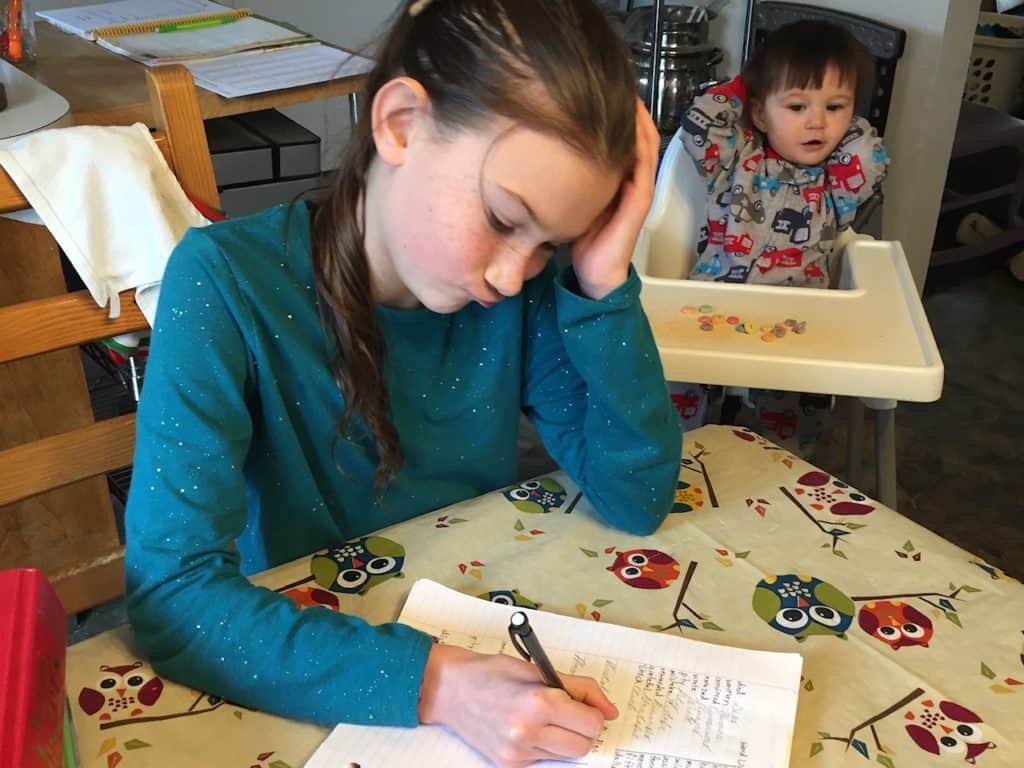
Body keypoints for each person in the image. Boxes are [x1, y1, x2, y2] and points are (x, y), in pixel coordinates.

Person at [124, 1, 682, 766]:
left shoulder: (528, 292)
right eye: (500, 216)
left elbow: (636, 497)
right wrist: (443, 686)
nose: (510, 274)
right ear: (400, 125)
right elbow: (172, 596)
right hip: (303, 667)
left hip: (474, 627)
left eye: (548, 243)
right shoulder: (223, 283)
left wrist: (603, 279)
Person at [672, 20, 889, 451]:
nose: (817, 124)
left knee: (795, 404)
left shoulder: (834, 182)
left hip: (795, 319)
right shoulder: (736, 158)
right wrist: (744, 85)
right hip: (715, 303)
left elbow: (869, 155)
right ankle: (679, 450)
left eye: (834, 107)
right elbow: (700, 124)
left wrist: (846, 119)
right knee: (673, 372)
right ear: (758, 112)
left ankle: (778, 467)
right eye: (796, 107)